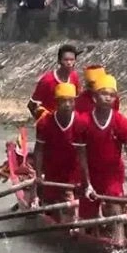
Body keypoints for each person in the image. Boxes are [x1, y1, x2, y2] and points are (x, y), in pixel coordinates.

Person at [72, 74, 127, 246]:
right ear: (95, 97)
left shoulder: (121, 122)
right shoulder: (83, 121)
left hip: (113, 175)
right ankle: (85, 236)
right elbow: (81, 157)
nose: (108, 98)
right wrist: (86, 183)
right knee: (86, 219)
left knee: (115, 208)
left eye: (112, 95)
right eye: (104, 93)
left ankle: (119, 242)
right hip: (91, 173)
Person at [33, 82, 81, 223]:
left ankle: (75, 224)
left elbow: (86, 153)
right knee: (52, 203)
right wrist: (38, 176)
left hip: (74, 171)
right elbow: (39, 150)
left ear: (74, 102)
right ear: (56, 102)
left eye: (70, 101)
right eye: (63, 101)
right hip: (52, 170)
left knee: (73, 200)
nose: (67, 104)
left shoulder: (81, 121)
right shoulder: (45, 123)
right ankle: (57, 221)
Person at [28, 44, 81, 119]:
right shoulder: (47, 80)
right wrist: (43, 123)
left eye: (72, 60)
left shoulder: (74, 77)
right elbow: (31, 105)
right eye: (66, 60)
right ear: (59, 61)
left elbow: (77, 100)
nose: (69, 63)